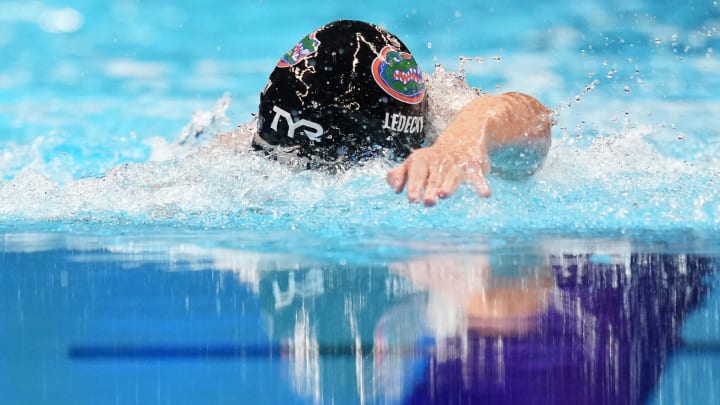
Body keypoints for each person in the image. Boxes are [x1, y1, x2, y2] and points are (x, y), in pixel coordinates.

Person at [251, 20, 553, 206]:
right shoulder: (278, 128)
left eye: (317, 164)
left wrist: (458, 146)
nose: (291, 171)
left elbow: (535, 119)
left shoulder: (449, 124)